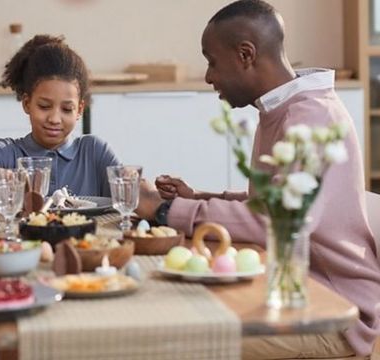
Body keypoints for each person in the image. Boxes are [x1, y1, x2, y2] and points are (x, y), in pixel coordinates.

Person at [151, 0, 380, 358]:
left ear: (245, 54)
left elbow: (279, 220)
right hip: (295, 291)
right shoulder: (281, 109)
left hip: (334, 313)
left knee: (189, 341)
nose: (209, 76)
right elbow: (272, 202)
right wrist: (198, 196)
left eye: (212, 61)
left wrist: (170, 211)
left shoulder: (311, 118)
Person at [0, 34, 122, 201]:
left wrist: (145, 190)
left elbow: (133, 191)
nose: (54, 119)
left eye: (66, 109)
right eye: (44, 106)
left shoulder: (94, 151)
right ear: (27, 103)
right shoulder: (7, 153)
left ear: (79, 110)